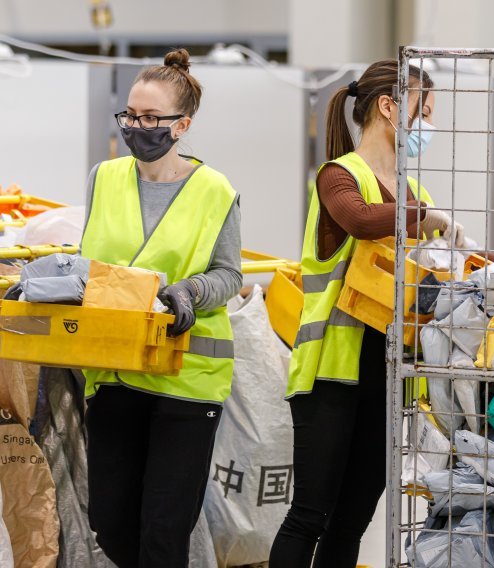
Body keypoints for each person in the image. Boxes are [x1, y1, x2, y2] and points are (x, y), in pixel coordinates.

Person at [270, 60, 464, 567]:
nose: (427, 126)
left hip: (388, 377)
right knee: (310, 514)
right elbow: (358, 219)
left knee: (353, 519)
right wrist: (429, 220)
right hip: (331, 373)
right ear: (389, 106)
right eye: (424, 112)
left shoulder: (415, 193)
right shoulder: (340, 176)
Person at [80, 48, 242, 567]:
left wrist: (190, 292)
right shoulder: (103, 178)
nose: (136, 125)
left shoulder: (215, 191)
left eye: (151, 117)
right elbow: (90, 262)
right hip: (115, 372)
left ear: (182, 124)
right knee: (111, 522)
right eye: (130, 114)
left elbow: (229, 275)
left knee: (164, 530)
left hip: (186, 379)